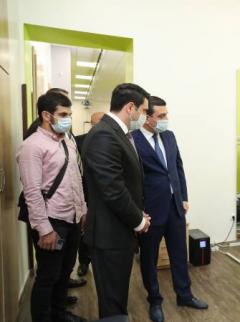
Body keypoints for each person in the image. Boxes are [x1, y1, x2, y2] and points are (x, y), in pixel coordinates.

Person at [131, 96, 208, 322]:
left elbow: (178, 167)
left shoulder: (169, 136)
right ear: (146, 117)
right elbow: (132, 179)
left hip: (175, 208)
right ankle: (154, 300)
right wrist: (138, 211)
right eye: (161, 116)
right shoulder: (132, 140)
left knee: (179, 255)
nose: (166, 119)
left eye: (167, 114)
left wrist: (183, 196)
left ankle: (184, 295)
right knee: (149, 258)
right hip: (150, 211)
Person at [82, 83, 151, 318]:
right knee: (112, 304)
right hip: (108, 236)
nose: (143, 116)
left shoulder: (117, 133)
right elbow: (113, 189)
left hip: (117, 233)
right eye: (143, 110)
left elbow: (126, 182)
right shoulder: (104, 134)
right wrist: (138, 221)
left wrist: (138, 214)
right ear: (130, 107)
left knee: (117, 297)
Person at [17, 91, 87, 322]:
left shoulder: (67, 141)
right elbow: (32, 192)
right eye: (63, 114)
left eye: (69, 114)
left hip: (72, 218)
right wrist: (44, 229)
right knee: (48, 275)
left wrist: (83, 210)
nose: (68, 119)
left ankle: (59, 314)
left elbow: (76, 177)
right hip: (52, 221)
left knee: (65, 271)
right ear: (46, 115)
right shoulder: (32, 146)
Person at [74, 111, 105, 277]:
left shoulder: (113, 140)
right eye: (97, 122)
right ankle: (84, 262)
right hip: (85, 192)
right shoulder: (78, 141)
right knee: (85, 229)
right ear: (91, 124)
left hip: (106, 194)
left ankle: (102, 263)